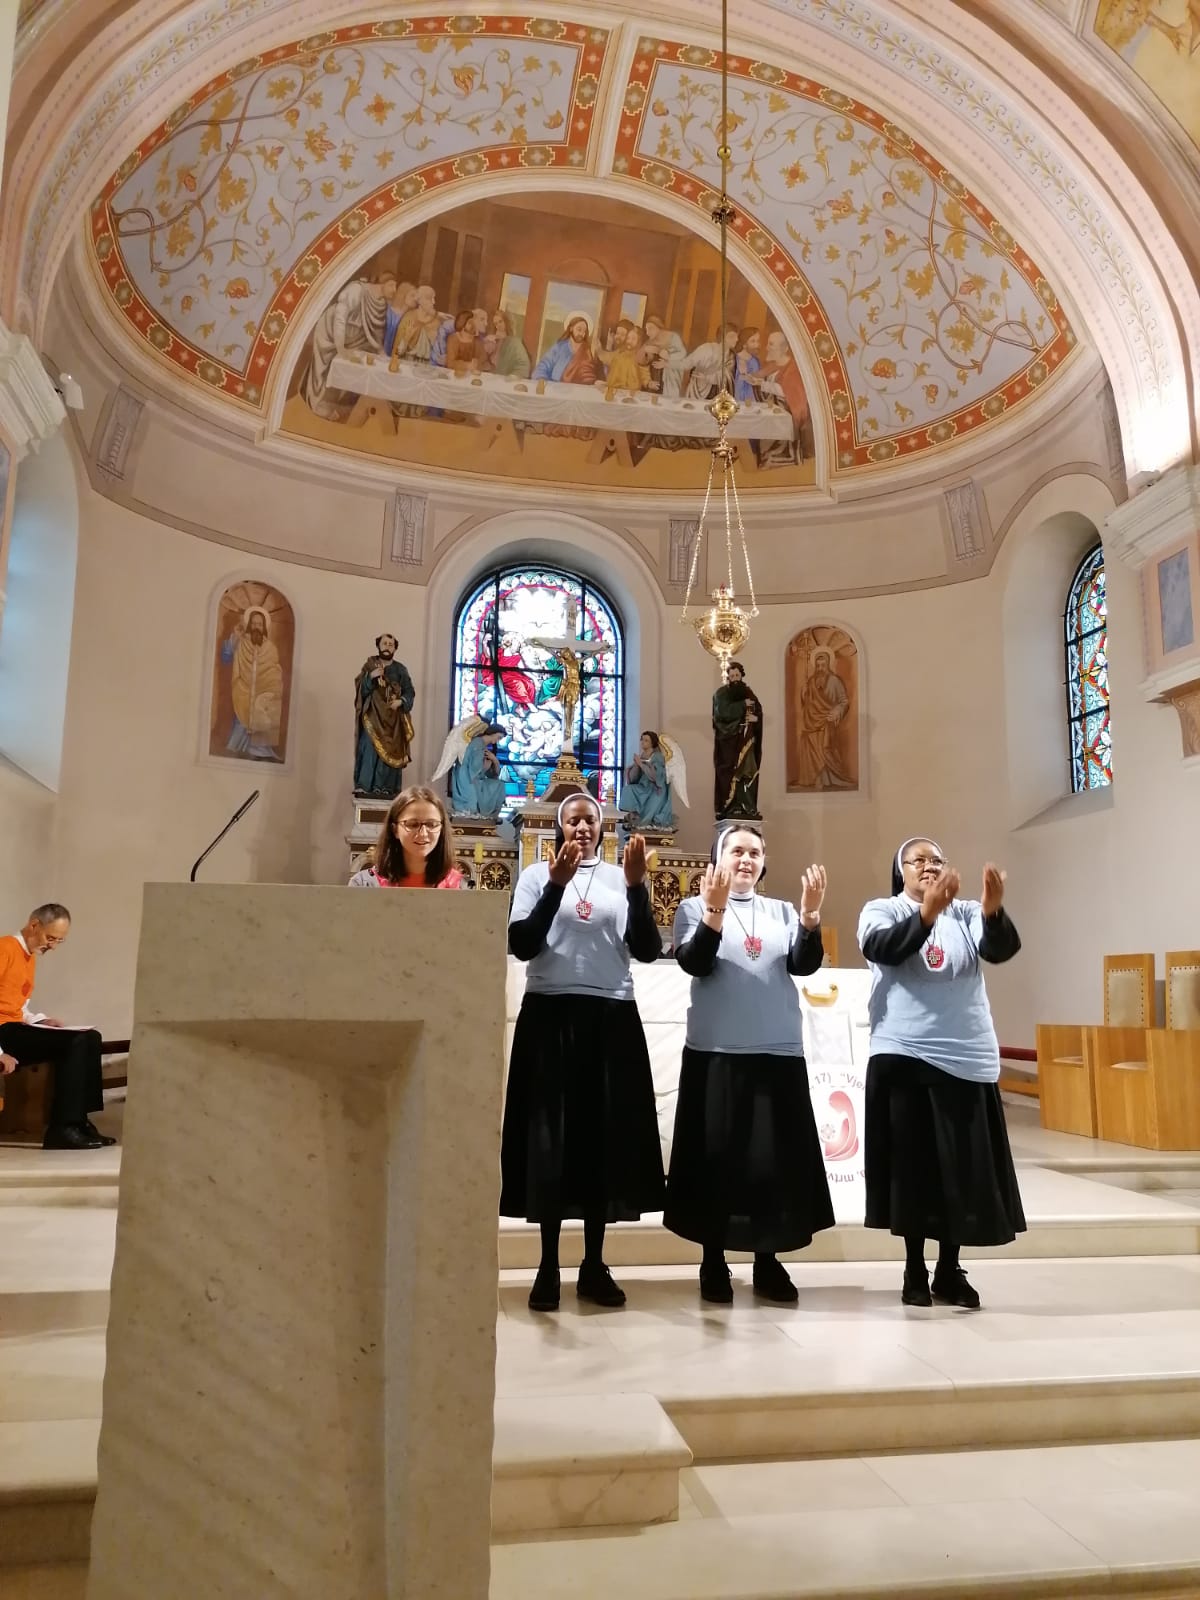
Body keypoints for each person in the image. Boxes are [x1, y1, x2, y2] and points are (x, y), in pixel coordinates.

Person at [500, 794, 664, 1312]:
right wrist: (555, 885)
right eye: (573, 820)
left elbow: (647, 949)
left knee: (602, 1141)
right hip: (550, 1015)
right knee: (552, 1141)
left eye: (590, 819)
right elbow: (523, 944)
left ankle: (594, 1264)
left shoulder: (620, 878)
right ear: (559, 826)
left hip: (610, 1016)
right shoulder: (535, 875)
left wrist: (636, 889)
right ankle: (547, 1266)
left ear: (602, 827)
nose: (582, 827)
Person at [665, 827, 834, 1302]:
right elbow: (695, 962)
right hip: (717, 1054)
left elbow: (804, 964)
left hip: (776, 1053)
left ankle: (767, 1259)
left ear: (764, 862)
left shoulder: (781, 911)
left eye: (755, 852)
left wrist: (810, 917)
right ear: (718, 858)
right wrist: (715, 911)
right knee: (717, 1162)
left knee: (770, 1165)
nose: (746, 859)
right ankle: (713, 1260)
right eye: (736, 850)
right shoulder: (692, 908)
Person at [857, 838, 1026, 1308]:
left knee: (960, 1172)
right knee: (913, 1171)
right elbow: (884, 948)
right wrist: (927, 913)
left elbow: (1000, 950)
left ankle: (949, 1270)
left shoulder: (966, 912)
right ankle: (914, 1268)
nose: (929, 866)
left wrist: (993, 911)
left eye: (936, 860)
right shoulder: (882, 909)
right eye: (918, 860)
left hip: (965, 1055)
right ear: (901, 871)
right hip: (905, 1055)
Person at [0, 904, 113, 1151]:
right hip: (2, 1033)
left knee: (90, 1037)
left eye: (59, 941)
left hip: (13, 1026)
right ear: (34, 926)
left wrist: (40, 1021)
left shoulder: (29, 956)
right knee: (75, 1042)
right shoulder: (4, 949)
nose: (52, 946)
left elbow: (17, 1006)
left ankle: (80, 1121)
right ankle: (63, 1128)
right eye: (50, 938)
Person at [303, 272, 399, 419]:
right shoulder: (357, 290)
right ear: (382, 284)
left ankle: (344, 405)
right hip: (331, 332)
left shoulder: (382, 303)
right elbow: (340, 317)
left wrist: (381, 352)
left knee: (357, 367)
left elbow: (376, 332)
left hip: (355, 338)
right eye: (392, 285)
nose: (394, 290)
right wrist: (340, 346)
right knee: (323, 367)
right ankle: (318, 405)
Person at [347, 787, 465, 888]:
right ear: (395, 829)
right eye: (413, 824)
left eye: (431, 824)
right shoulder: (363, 884)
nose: (423, 833)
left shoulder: (459, 886)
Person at [353, 633, 416, 797]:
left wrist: (400, 701)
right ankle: (365, 785)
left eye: (390, 644)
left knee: (391, 751)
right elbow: (361, 690)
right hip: (373, 716)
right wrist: (370, 677)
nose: (387, 647)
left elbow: (409, 691)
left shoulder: (400, 669)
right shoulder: (370, 665)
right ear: (378, 646)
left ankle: (385, 788)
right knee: (369, 748)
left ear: (395, 648)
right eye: (384, 643)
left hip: (393, 721)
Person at [220, 606, 284, 760]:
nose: (256, 627)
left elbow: (275, 671)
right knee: (240, 723)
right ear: (249, 625)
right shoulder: (241, 643)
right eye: (254, 624)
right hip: (243, 693)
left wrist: (270, 683)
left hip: (262, 695)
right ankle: (236, 750)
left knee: (262, 716)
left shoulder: (271, 648)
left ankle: (261, 751)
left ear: (264, 627)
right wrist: (234, 637)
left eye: (260, 624)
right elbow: (225, 658)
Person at [794, 648, 852, 790]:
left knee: (825, 749)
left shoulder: (835, 681)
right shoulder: (810, 682)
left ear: (828, 664)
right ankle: (815, 778)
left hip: (827, 721)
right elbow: (807, 703)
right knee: (809, 745)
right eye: (818, 665)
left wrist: (837, 711)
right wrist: (804, 693)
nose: (820, 668)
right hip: (811, 722)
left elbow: (844, 701)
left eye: (823, 665)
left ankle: (831, 778)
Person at [712, 661, 762, 819]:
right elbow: (722, 713)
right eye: (732, 676)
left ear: (741, 676)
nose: (735, 678)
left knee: (747, 771)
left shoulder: (749, 693)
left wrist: (756, 719)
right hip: (728, 742)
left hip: (746, 741)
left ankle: (747, 805)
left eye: (737, 675)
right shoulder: (721, 694)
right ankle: (729, 806)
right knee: (729, 773)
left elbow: (758, 712)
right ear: (728, 677)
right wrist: (742, 705)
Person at [618, 731, 673, 829]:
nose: (643, 742)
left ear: (652, 743)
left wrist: (640, 764)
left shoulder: (657, 756)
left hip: (655, 789)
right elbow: (634, 779)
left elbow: (656, 776)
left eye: (646, 740)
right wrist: (636, 766)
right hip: (643, 787)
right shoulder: (642, 756)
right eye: (642, 740)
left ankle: (643, 823)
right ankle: (633, 815)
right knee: (628, 789)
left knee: (647, 817)